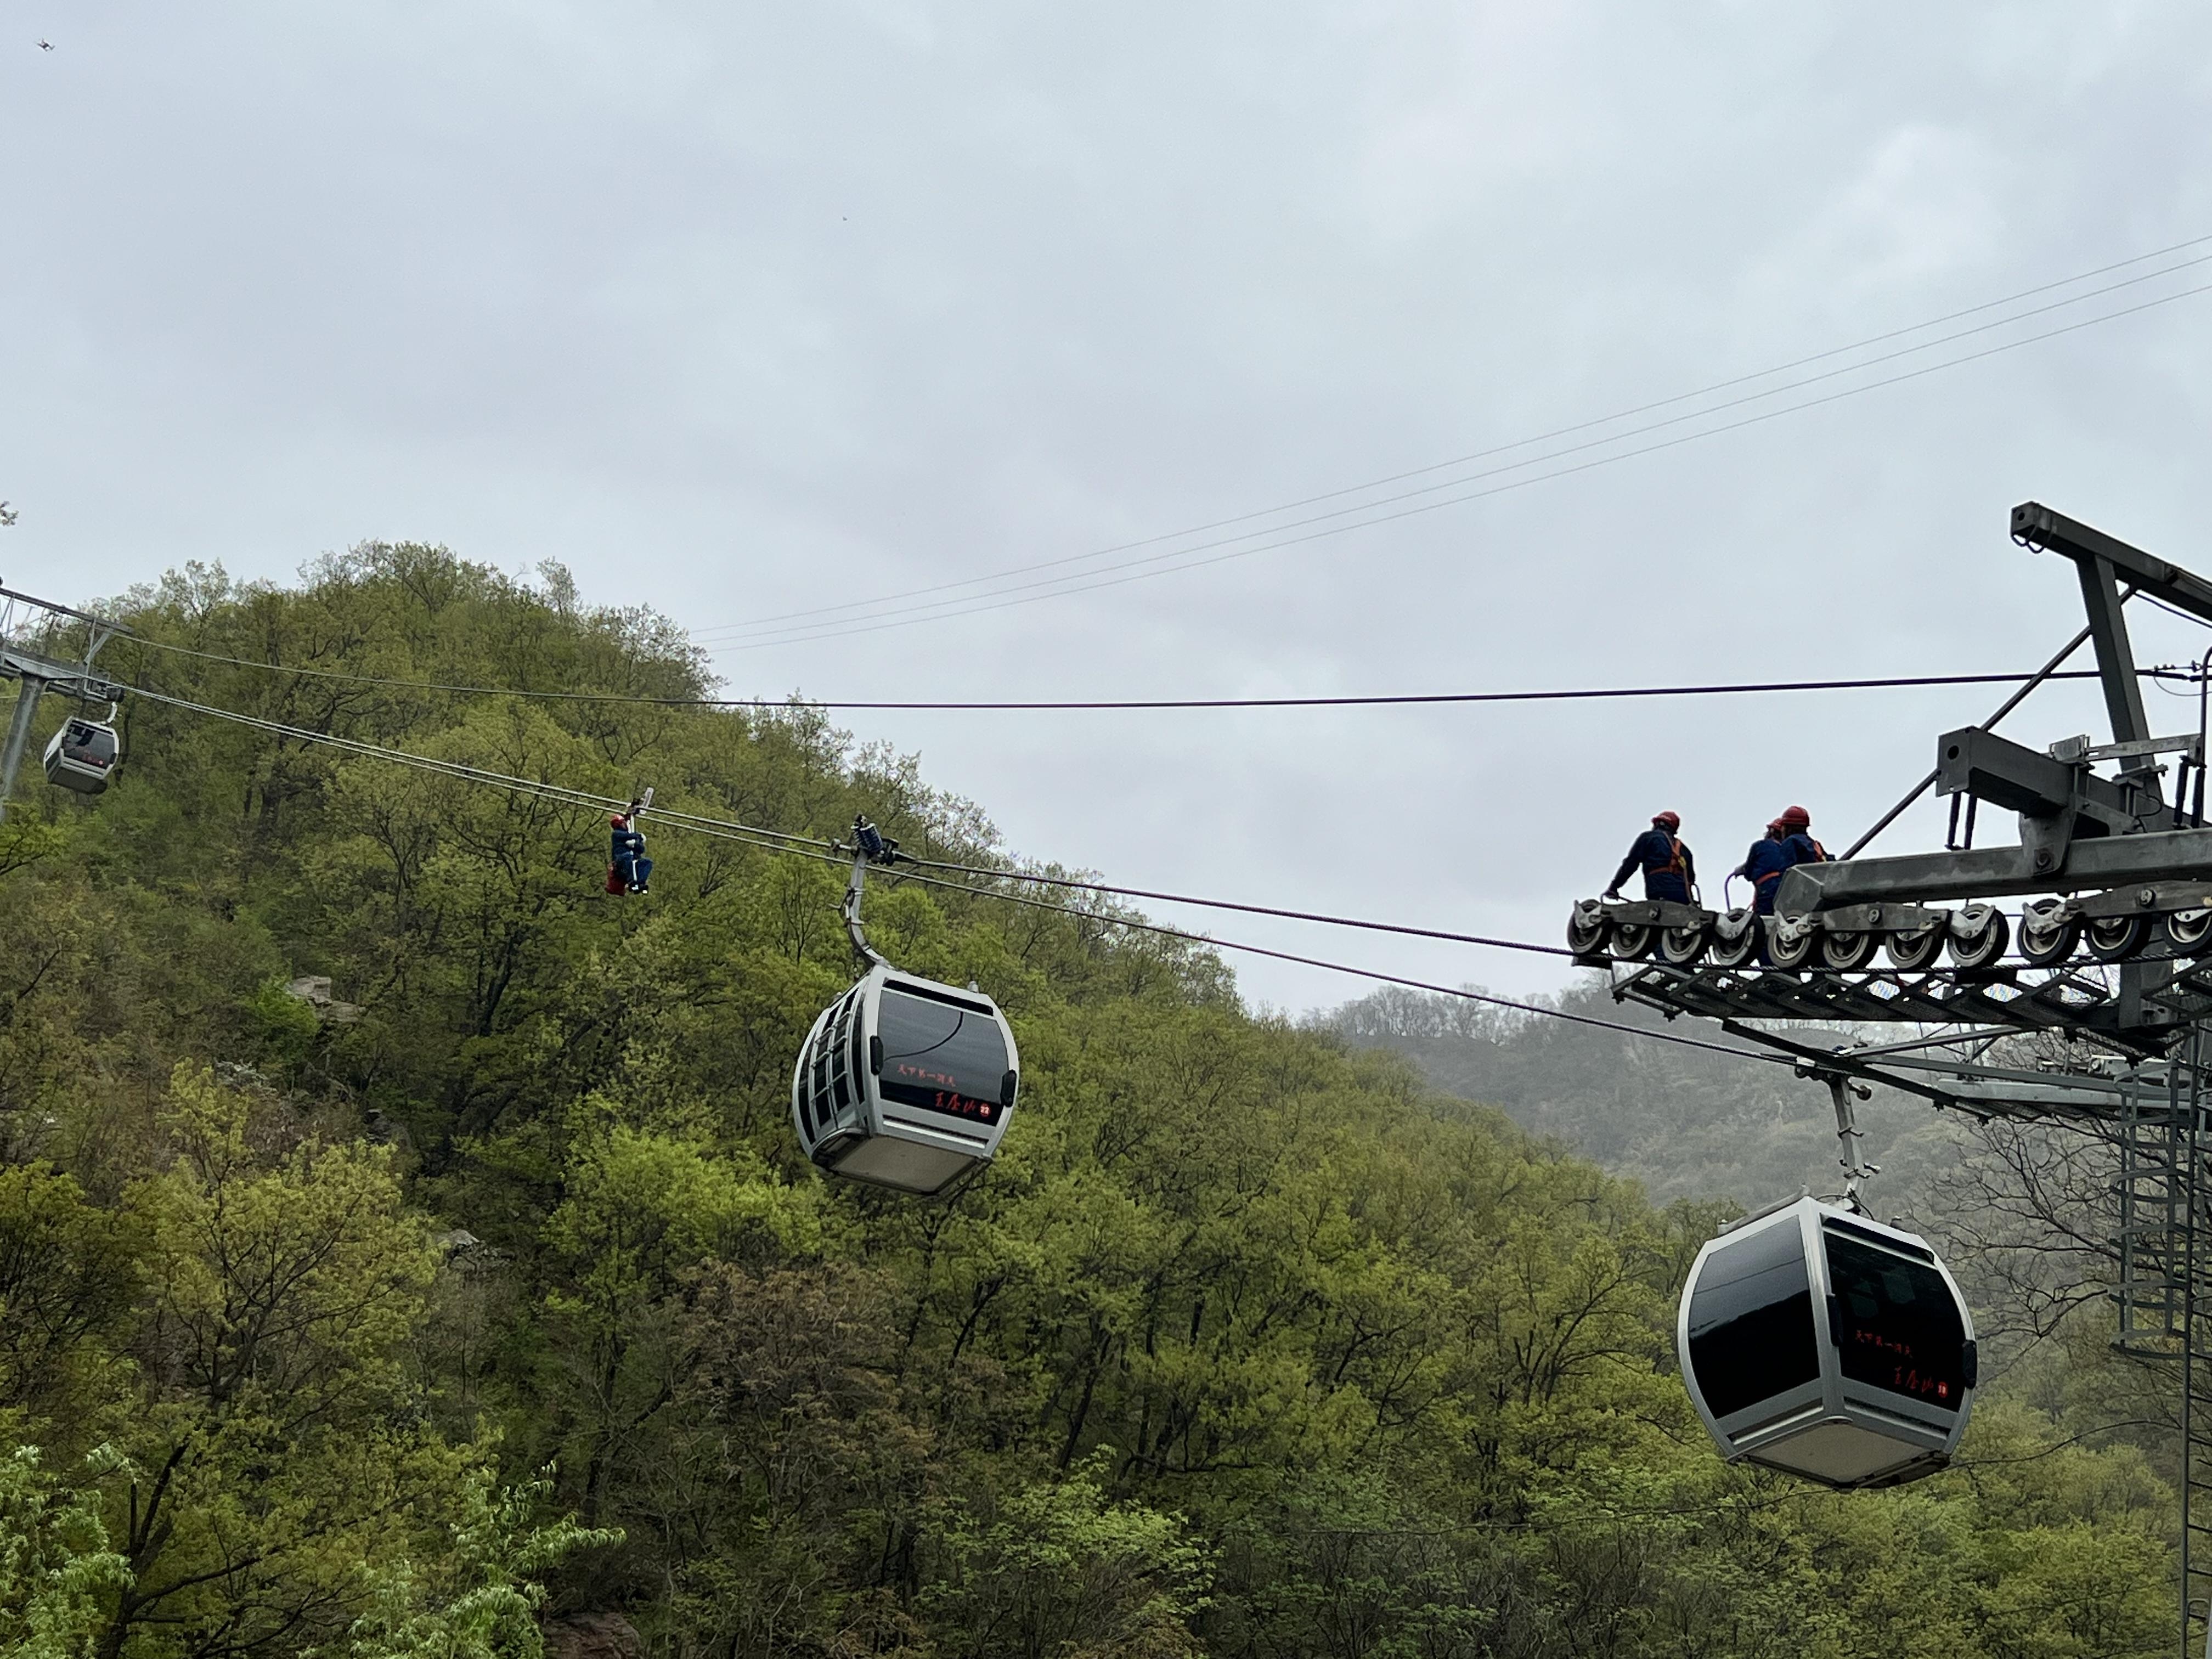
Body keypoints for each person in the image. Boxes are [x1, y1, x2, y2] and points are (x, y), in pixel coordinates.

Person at [1734, 804, 1826, 915]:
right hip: (1812, 894)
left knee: (1765, 923)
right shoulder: (1815, 845)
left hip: (1771, 892)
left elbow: (1787, 873)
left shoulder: (1787, 843)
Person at [1604, 810, 1697, 904]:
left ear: (1656, 824)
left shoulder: (1648, 838)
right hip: (1683, 896)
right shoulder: (1685, 850)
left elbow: (1631, 864)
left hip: (1659, 890)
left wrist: (1614, 887)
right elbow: (1691, 879)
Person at [609, 804, 652, 895]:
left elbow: (641, 850)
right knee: (628, 856)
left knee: (647, 862)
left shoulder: (629, 836)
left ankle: (640, 883)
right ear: (620, 824)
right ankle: (632, 881)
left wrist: (637, 844)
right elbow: (629, 836)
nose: (625, 824)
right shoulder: (616, 834)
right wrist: (639, 836)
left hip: (631, 863)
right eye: (623, 823)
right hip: (621, 863)